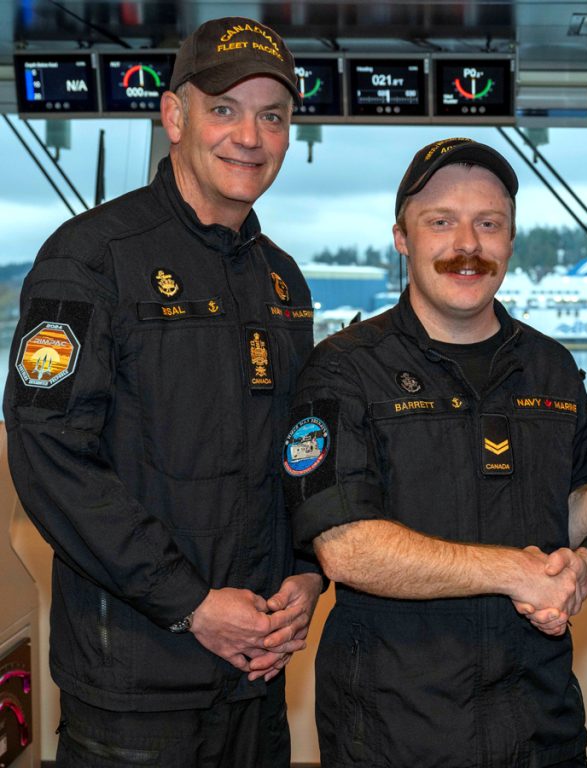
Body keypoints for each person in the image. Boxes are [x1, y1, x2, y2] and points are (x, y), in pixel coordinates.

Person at [3, 17, 322, 767]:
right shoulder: (90, 259)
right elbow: (50, 459)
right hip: (134, 689)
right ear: (173, 115)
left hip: (256, 674)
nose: (250, 135)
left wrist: (309, 572)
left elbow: (304, 452)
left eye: (272, 116)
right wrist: (192, 605)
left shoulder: (284, 282)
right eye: (224, 109)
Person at [284, 137, 587, 767]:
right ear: (402, 238)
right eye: (441, 222)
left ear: (509, 240)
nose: (467, 246)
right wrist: (514, 571)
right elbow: (345, 547)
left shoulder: (551, 369)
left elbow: (556, 520)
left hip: (540, 723)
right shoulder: (344, 370)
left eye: (488, 224)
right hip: (394, 732)